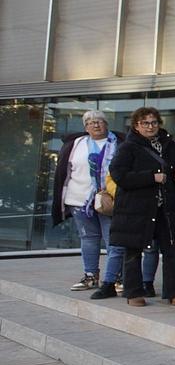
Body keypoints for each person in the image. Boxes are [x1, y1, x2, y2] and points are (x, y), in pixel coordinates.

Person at [108, 107, 175, 308]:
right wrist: (150, 177)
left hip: (165, 208)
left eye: (154, 122)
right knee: (133, 251)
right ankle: (133, 292)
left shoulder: (169, 144)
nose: (150, 126)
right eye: (145, 123)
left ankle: (174, 293)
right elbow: (119, 175)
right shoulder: (128, 147)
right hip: (136, 209)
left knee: (170, 250)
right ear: (136, 125)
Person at [53, 111, 125, 296]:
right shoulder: (76, 144)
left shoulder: (118, 143)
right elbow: (64, 170)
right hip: (79, 199)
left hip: (111, 200)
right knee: (88, 239)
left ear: (106, 124)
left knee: (113, 241)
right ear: (85, 127)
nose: (96, 125)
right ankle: (90, 275)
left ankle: (114, 278)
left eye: (99, 122)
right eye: (91, 122)